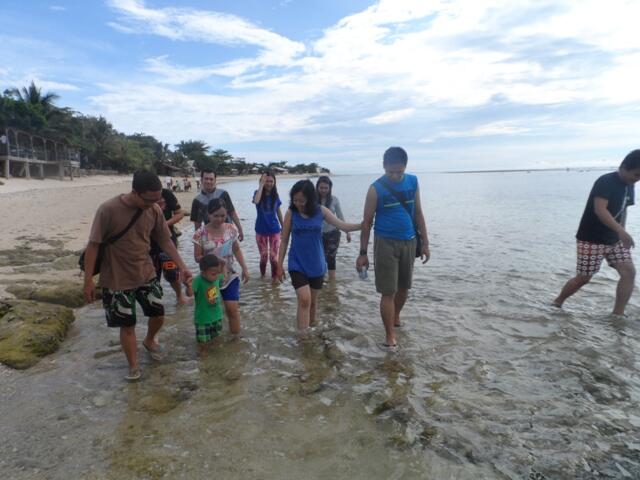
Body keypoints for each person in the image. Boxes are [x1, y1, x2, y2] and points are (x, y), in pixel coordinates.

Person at [83, 171, 193, 381]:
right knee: (127, 324)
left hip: (146, 272)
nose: (154, 204)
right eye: (149, 199)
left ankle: (150, 340)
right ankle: (133, 367)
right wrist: (88, 280)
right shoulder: (108, 210)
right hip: (116, 278)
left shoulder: (154, 210)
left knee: (158, 313)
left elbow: (166, 240)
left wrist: (183, 266)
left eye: (157, 199)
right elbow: (93, 245)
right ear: (135, 192)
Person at [356, 147, 430, 348]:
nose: (396, 176)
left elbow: (418, 213)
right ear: (384, 166)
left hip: (410, 240)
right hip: (385, 243)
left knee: (404, 287)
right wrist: (362, 253)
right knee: (388, 291)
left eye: (400, 172)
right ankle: (389, 336)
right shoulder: (375, 189)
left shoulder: (413, 182)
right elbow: (366, 223)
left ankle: (396, 317)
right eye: (391, 172)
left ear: (405, 167)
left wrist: (425, 243)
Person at [553, 150, 640, 316]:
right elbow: (600, 210)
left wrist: (623, 233)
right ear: (623, 167)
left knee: (629, 272)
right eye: (636, 174)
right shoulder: (606, 181)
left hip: (614, 239)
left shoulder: (630, 186)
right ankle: (557, 302)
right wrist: (621, 231)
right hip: (591, 239)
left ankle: (618, 314)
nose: (637, 179)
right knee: (584, 278)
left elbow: (623, 210)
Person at [277, 180, 362, 331]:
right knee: (304, 299)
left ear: (310, 198)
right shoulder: (291, 212)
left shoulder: (320, 211)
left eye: (302, 200)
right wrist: (279, 265)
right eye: (295, 200)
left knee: (313, 303)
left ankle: (312, 329)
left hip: (316, 264)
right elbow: (284, 240)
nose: (298, 203)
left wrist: (363, 225)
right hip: (297, 262)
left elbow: (342, 225)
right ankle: (303, 338)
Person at [193, 198, 250, 334]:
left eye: (223, 216)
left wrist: (245, 268)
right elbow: (197, 257)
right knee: (212, 309)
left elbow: (236, 249)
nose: (219, 219)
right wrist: (213, 259)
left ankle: (235, 341)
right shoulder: (200, 234)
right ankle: (212, 339)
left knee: (232, 309)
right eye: (216, 216)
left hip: (229, 275)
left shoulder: (230, 229)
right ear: (208, 215)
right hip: (210, 279)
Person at [149, 188, 187, 304]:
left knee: (171, 272)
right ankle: (155, 300)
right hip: (148, 243)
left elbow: (180, 213)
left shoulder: (167, 194)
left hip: (168, 239)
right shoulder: (143, 198)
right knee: (152, 275)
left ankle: (179, 295)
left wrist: (164, 225)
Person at [185, 254, 226, 357]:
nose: (216, 276)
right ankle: (203, 358)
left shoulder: (216, 276)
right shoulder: (198, 281)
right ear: (203, 272)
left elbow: (224, 276)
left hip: (217, 316)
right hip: (203, 319)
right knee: (202, 343)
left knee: (216, 340)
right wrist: (188, 286)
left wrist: (223, 265)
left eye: (217, 273)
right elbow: (189, 294)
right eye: (213, 274)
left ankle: (216, 357)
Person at [190, 170, 244, 241]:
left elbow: (232, 212)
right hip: (210, 236)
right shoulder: (197, 200)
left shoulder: (223, 194)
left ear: (215, 180)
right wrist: (198, 239)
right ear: (201, 180)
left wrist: (240, 229)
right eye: (206, 179)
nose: (208, 181)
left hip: (228, 232)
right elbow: (197, 223)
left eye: (211, 179)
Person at [316, 176, 351, 281]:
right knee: (319, 257)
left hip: (333, 233)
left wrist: (347, 232)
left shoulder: (334, 200)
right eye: (321, 188)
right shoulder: (312, 200)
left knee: (331, 257)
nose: (323, 190)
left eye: (326, 188)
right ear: (317, 187)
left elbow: (340, 216)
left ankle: (332, 283)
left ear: (330, 188)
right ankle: (319, 280)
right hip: (317, 234)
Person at [253, 171, 283, 281]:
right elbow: (256, 201)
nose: (269, 183)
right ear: (262, 181)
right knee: (264, 257)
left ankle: (274, 280)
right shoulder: (257, 193)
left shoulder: (276, 195)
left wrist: (284, 227)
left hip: (275, 230)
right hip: (261, 231)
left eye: (271, 181)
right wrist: (261, 185)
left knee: (274, 258)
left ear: (274, 182)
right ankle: (263, 277)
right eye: (266, 181)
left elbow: (278, 212)